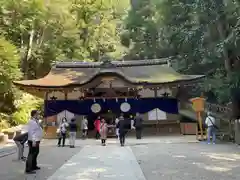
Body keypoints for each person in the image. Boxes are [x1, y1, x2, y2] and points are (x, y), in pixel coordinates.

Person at [25, 110, 43, 174]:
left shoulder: (36, 121)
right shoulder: (32, 122)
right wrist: (33, 141)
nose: (39, 116)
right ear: (34, 115)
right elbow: (31, 132)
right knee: (31, 154)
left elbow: (38, 130)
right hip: (33, 140)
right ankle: (28, 169)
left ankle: (34, 166)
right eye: (38, 114)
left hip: (37, 140)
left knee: (36, 153)